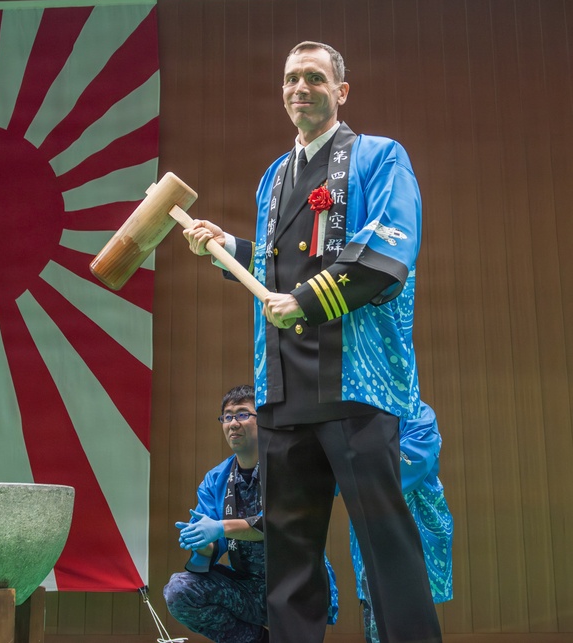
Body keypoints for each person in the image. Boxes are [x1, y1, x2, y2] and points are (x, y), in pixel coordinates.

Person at [182, 41, 441, 642]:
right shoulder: (274, 176)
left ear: (340, 91)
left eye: (315, 78)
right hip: (283, 392)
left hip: (355, 388)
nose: (300, 88)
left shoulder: (381, 157)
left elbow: (388, 248)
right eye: (291, 79)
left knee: (386, 547)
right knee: (289, 561)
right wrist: (231, 252)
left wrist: (301, 301)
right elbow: (277, 273)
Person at [163, 385, 338, 643]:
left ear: (264, 421)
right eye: (227, 416)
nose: (233, 423)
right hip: (249, 589)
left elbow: (280, 523)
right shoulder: (215, 480)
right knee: (179, 590)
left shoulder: (290, 466)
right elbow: (213, 545)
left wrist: (221, 527)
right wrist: (201, 543)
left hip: (298, 586)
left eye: (243, 414)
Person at [351, 402, 454, 643]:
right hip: (370, 517)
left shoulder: (419, 412)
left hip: (416, 518)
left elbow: (414, 461)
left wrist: (360, 467)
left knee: (411, 608)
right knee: (373, 603)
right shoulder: (357, 413)